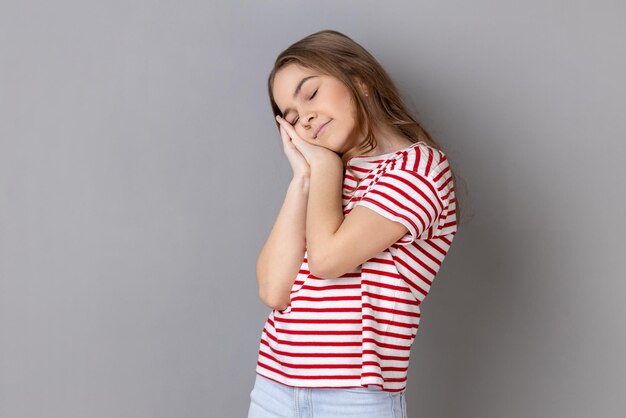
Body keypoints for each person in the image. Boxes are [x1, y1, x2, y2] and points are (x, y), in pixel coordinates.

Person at [248, 29, 460, 418]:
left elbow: (327, 260)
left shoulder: (420, 169)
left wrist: (325, 166)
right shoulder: (326, 181)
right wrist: (303, 178)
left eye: (310, 94)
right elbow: (273, 289)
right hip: (274, 387)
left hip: (353, 399)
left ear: (359, 81)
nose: (305, 118)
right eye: (291, 117)